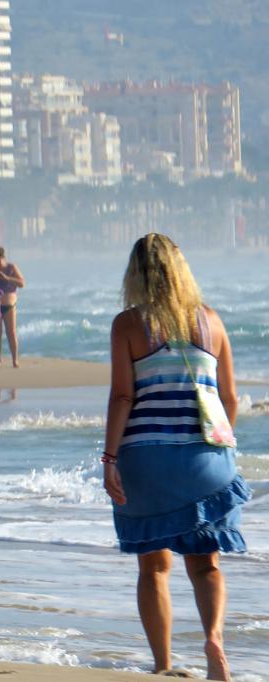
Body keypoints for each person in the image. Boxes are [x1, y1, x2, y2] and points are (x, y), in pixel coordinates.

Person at [102, 233, 248, 681]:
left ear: (136, 274)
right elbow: (230, 399)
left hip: (147, 462)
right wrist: (213, 454)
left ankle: (164, 665)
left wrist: (109, 458)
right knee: (206, 565)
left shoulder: (128, 324)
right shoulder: (212, 322)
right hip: (208, 460)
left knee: (155, 567)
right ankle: (214, 641)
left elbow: (124, 395)